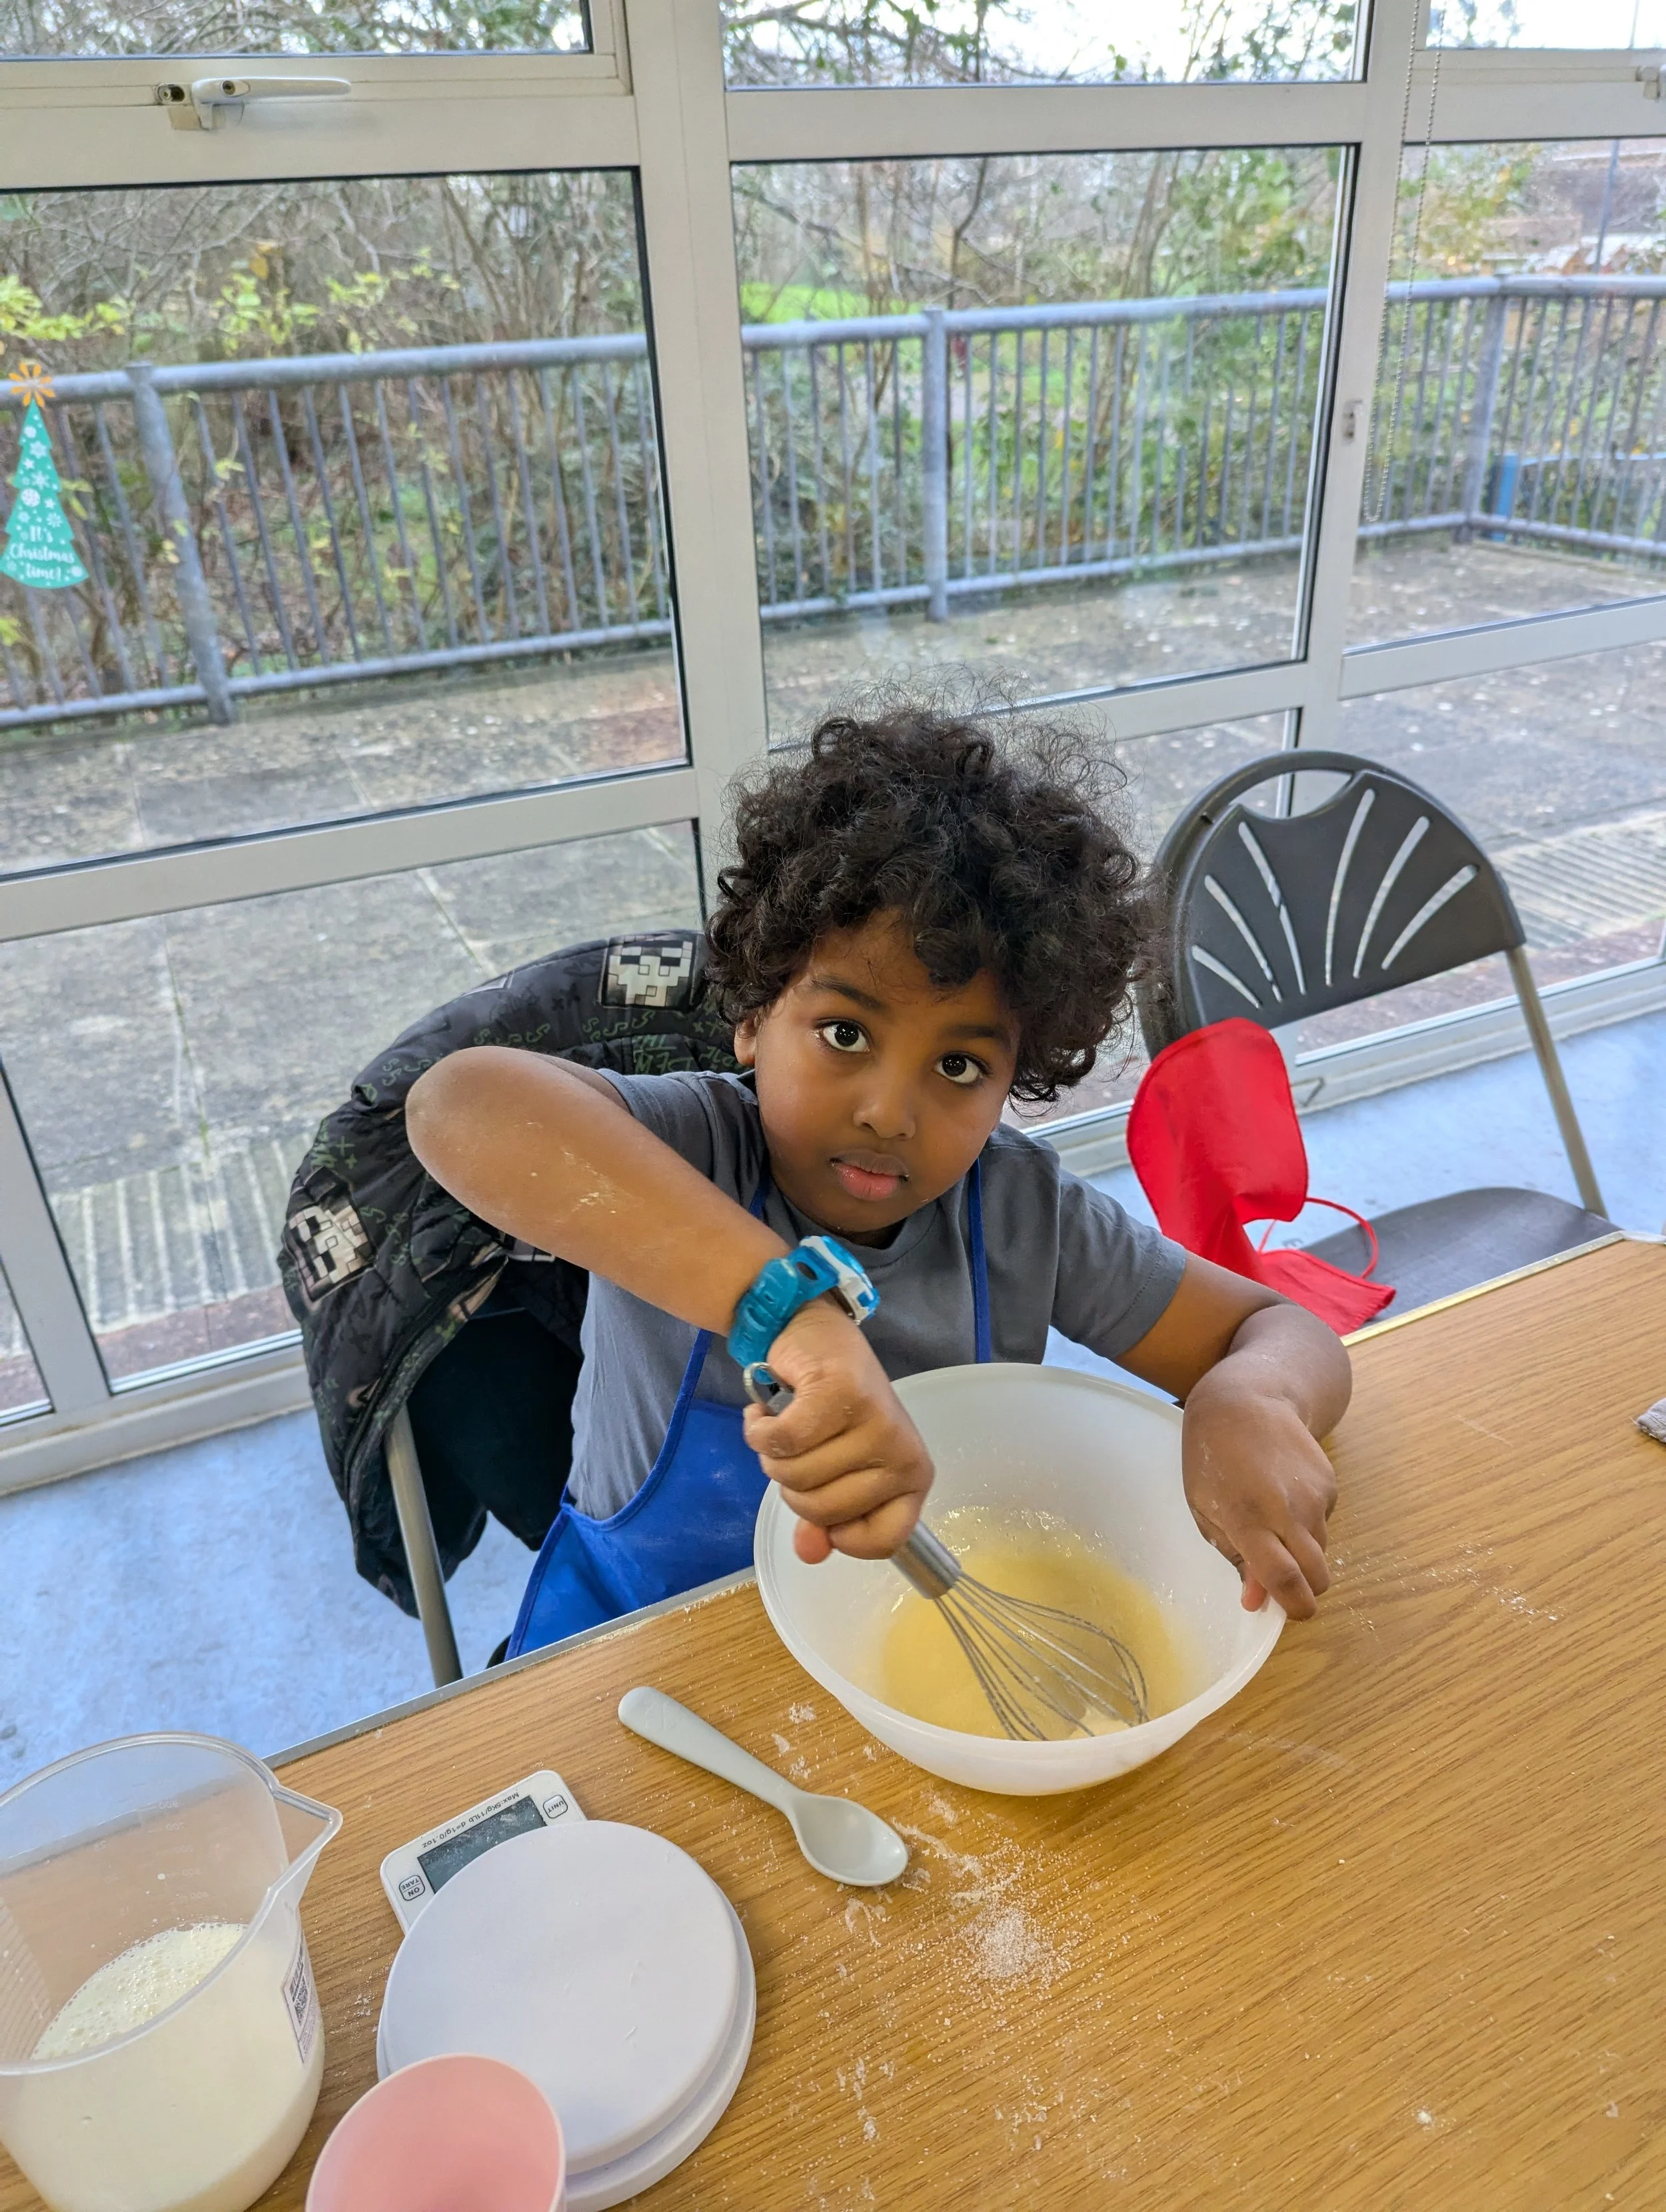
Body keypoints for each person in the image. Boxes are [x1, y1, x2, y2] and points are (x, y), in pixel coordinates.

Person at [407, 703, 1349, 1656]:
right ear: (753, 1015)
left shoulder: (1023, 1214)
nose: (890, 1113)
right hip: (639, 1644)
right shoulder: (690, 1149)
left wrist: (1254, 1397)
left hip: (920, 1642)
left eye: (959, 1067)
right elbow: (459, 1105)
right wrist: (790, 1314)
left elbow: (1279, 1331)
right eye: (845, 1034)